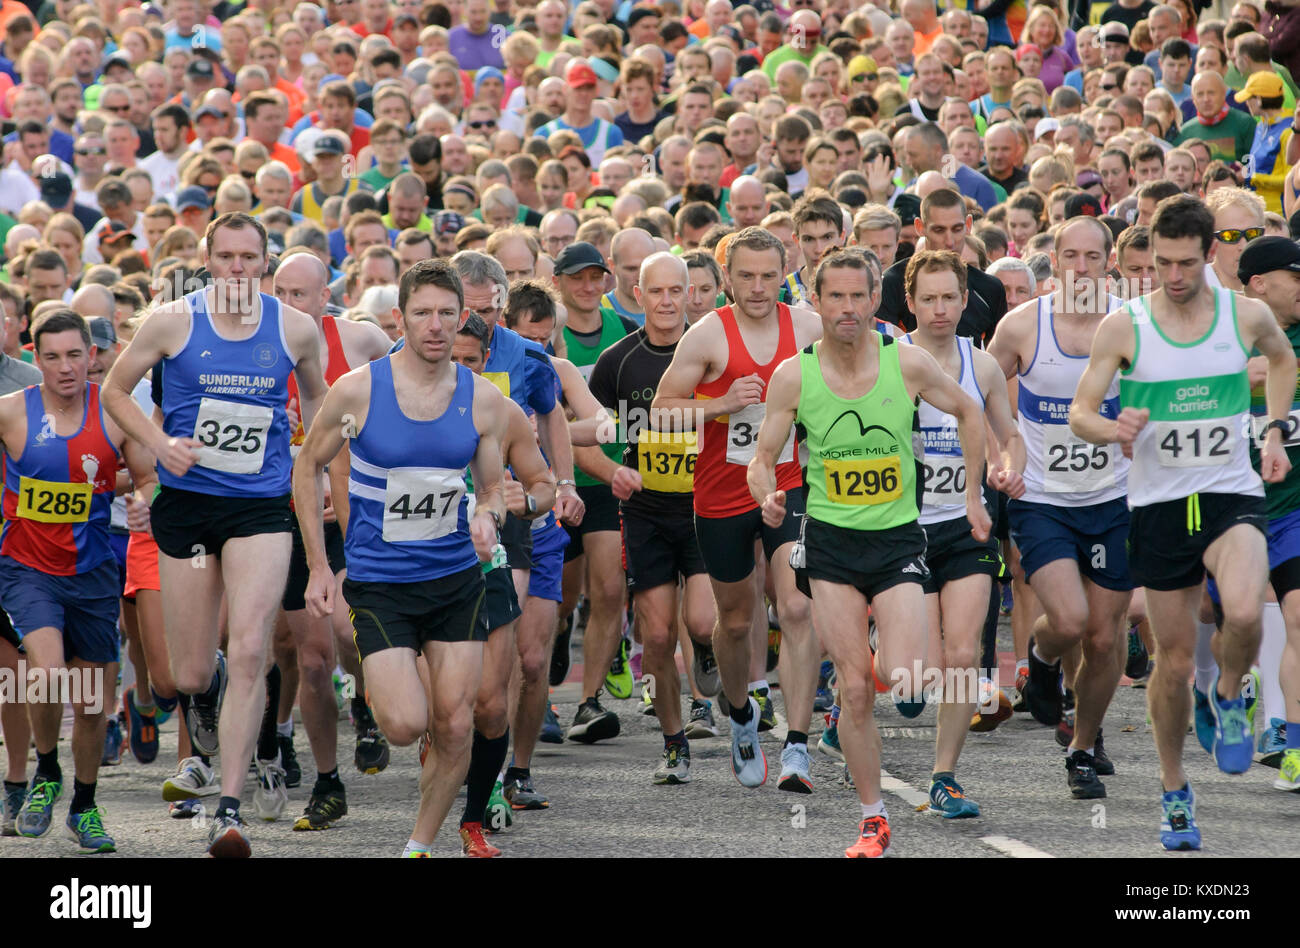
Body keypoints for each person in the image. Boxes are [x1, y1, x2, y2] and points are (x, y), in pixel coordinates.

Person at [1069, 194, 1296, 850]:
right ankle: (1174, 791)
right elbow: (1082, 411)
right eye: (1162, 262)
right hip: (1160, 506)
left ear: (1211, 254)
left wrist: (1274, 430)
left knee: (1248, 611)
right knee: (1170, 665)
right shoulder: (1126, 325)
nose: (1172, 275)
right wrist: (1113, 426)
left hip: (1229, 492)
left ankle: (1229, 694)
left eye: (1186, 263)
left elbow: (1284, 359)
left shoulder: (1243, 314)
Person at [749, 249, 989, 855]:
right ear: (816, 301)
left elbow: (967, 411)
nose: (848, 308)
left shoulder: (904, 364)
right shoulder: (793, 376)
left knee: (905, 678)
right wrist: (768, 497)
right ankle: (873, 817)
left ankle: (886, 648)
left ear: (874, 301)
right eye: (836, 297)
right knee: (855, 688)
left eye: (859, 296)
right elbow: (761, 455)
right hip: (829, 544)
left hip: (898, 540)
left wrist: (973, 493)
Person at [102, 212, 328, 858]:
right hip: (189, 508)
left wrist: (317, 459)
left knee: (254, 643)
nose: (236, 267)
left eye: (247, 257)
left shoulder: (294, 328)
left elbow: (319, 403)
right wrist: (159, 443)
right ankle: (215, 685)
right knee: (189, 673)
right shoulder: (174, 320)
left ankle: (229, 807)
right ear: (208, 260)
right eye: (224, 256)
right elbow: (117, 393)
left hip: (259, 506)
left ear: (263, 261)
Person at [293, 258, 508, 859]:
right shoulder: (358, 388)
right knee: (407, 725)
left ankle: (419, 844)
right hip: (381, 583)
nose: (435, 326)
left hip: (457, 580)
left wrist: (488, 516)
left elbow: (490, 488)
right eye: (422, 314)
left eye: (446, 314)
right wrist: (316, 565)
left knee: (458, 722)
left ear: (463, 317)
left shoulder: (483, 401)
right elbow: (306, 466)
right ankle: (375, 687)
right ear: (400, 318)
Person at [653, 227, 822, 792]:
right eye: (745, 276)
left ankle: (798, 746)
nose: (757, 287)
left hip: (789, 483)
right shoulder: (707, 336)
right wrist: (722, 403)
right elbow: (660, 414)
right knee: (735, 620)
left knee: (797, 608)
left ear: (784, 274)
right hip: (722, 494)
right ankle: (741, 712)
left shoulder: (808, 328)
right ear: (728, 278)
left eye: (768, 276)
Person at [988, 216, 1132, 800]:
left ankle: (1082, 746)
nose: (1079, 268)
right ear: (1054, 260)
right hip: (1043, 498)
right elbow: (978, 389)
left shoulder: (1131, 325)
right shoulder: (1024, 326)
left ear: (1108, 263)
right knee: (1070, 621)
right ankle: (1042, 656)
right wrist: (1001, 452)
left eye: (1091, 257)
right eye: (1068, 255)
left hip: (1117, 499)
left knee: (1103, 637)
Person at [1, 309, 155, 853]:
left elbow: (148, 478)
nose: (65, 367)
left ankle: (85, 806)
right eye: (51, 356)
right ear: (33, 358)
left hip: (92, 572)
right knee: (43, 673)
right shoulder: (10, 413)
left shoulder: (114, 412)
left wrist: (142, 503)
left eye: (74, 354)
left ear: (92, 355)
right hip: (25, 569)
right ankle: (46, 772)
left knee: (93, 704)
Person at [902, 253, 1026, 817]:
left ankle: (943, 776)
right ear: (910, 304)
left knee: (961, 654)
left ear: (964, 300)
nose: (939, 309)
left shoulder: (983, 368)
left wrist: (1007, 467)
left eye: (949, 297)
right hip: (902, 531)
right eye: (928, 298)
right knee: (914, 675)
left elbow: (1010, 434)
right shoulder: (890, 364)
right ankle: (885, 651)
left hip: (966, 526)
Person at [271, 250, 392, 830]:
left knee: (348, 633)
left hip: (349, 513)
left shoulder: (362, 342)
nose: (290, 304)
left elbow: (399, 402)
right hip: (284, 521)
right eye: (282, 292)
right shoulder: (255, 349)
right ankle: (327, 781)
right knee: (312, 660)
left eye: (302, 294)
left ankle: (365, 701)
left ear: (326, 295)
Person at [588, 252, 719, 784]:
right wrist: (611, 469)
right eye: (655, 292)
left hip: (706, 508)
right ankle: (673, 741)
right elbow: (581, 434)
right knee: (658, 636)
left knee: (702, 621)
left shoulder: (712, 352)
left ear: (691, 293)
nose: (666, 302)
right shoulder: (618, 362)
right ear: (638, 295)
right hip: (644, 512)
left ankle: (710, 652)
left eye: (676, 291)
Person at [448, 310, 556, 856]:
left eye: (471, 360)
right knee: (435, 709)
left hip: (496, 550)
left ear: (486, 361)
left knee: (492, 697)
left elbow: (543, 485)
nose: (460, 368)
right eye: (451, 358)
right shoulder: (393, 399)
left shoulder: (502, 411)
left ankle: (479, 802)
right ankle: (443, 748)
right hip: (423, 559)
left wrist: (529, 501)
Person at [1236, 237, 1300, 790]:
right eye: (1295, 277)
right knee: (1225, 621)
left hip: (1294, 512)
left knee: (1299, 615)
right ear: (1260, 284)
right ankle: (1233, 686)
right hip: (1232, 514)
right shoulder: (1224, 341)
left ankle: (1293, 743)